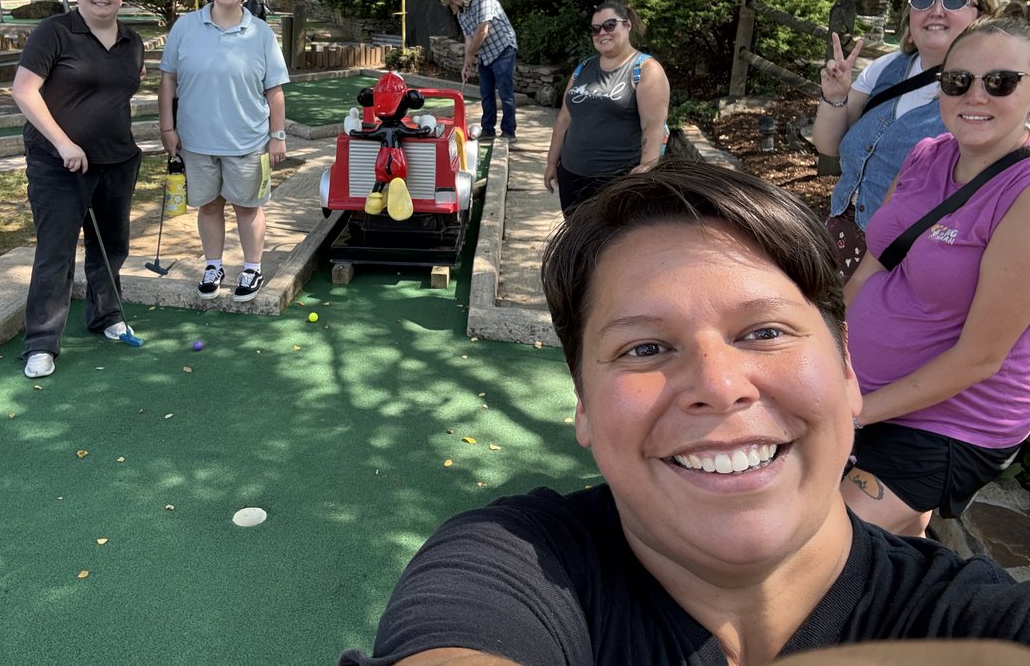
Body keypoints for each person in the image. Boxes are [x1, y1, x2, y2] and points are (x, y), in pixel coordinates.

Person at [339, 161, 1030, 666]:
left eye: (765, 331)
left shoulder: (978, 621)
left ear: (847, 369)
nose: (718, 386)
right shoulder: (509, 569)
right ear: (583, 404)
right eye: (644, 347)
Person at [840, 10, 1030, 538]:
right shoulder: (926, 155)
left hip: (950, 421)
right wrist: (831, 351)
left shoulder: (1022, 194)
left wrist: (850, 413)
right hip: (864, 394)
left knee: (819, 540)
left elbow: (980, 358)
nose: (976, 95)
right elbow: (874, 265)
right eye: (958, 80)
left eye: (1001, 82)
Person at [813, 0, 997, 280]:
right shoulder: (886, 68)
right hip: (842, 238)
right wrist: (835, 96)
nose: (936, 11)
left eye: (953, 1)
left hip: (905, 260)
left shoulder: (990, 94)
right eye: (923, 0)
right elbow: (828, 146)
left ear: (981, 16)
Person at [10, 0, 144, 379]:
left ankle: (106, 315)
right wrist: (63, 142)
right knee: (56, 252)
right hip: (58, 163)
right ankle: (42, 342)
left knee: (111, 247)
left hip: (117, 159)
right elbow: (24, 91)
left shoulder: (131, 40)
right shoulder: (54, 32)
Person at [158, 0, 289, 302]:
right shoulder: (185, 26)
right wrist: (167, 129)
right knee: (209, 206)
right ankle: (213, 266)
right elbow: (168, 80)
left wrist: (277, 136)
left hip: (248, 140)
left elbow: (274, 90)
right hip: (196, 141)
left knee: (248, 207)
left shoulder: (261, 32)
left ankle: (252, 268)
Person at [543, 0, 670, 213]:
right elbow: (564, 119)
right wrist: (551, 162)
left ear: (627, 25)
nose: (602, 32)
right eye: (595, 29)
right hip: (571, 176)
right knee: (575, 231)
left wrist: (646, 169)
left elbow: (653, 126)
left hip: (615, 181)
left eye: (610, 25)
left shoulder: (646, 69)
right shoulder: (584, 67)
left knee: (612, 234)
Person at [439, 0, 517, 142]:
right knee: (486, 93)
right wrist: (466, 64)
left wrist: (471, 54)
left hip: (503, 48)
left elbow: (482, 31)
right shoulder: (461, 14)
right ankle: (488, 130)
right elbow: (469, 38)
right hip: (486, 54)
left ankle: (509, 132)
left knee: (505, 92)